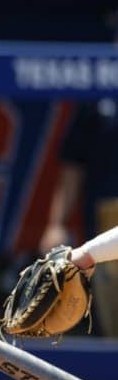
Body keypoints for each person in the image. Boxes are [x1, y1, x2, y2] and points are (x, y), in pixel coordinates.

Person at [40, 99, 118, 335]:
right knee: (112, 319)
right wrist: (58, 225)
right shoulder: (97, 98)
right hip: (107, 216)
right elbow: (73, 164)